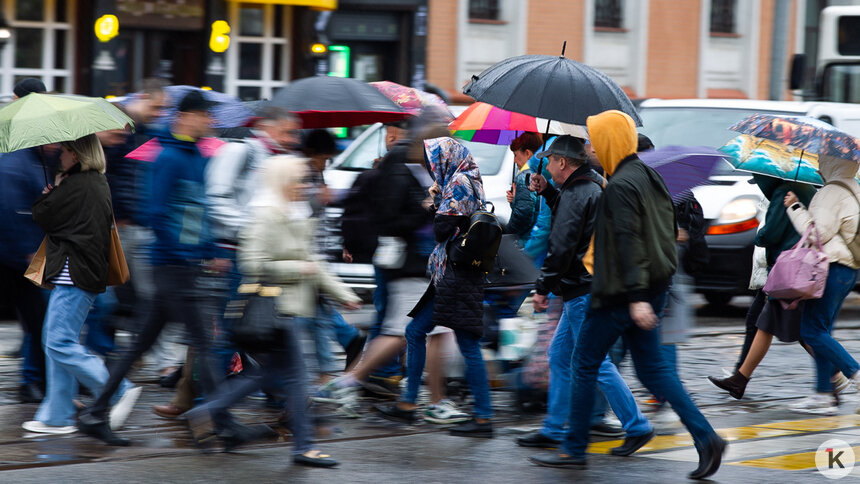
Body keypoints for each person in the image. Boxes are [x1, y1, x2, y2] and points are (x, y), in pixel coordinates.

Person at [530, 110, 726, 480]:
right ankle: (707, 438)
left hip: (622, 293)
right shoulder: (648, 175)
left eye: (593, 141)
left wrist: (635, 297)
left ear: (609, 141)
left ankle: (573, 449)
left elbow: (628, 241)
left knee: (583, 363)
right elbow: (667, 230)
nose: (589, 148)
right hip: (652, 289)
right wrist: (652, 292)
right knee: (655, 372)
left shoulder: (620, 185)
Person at [184, 155, 361, 467]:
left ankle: (205, 412)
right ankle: (303, 447)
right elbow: (252, 263)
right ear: (282, 182)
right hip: (274, 309)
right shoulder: (265, 214)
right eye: (298, 180)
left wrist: (343, 294)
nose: (304, 186)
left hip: (289, 309)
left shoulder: (294, 213)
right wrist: (298, 268)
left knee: (270, 374)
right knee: (295, 376)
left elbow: (314, 264)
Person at [77, 90, 226, 446]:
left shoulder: (195, 156)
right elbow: (155, 213)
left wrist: (210, 248)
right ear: (187, 116)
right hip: (173, 266)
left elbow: (195, 212)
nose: (211, 122)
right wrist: (189, 252)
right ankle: (225, 419)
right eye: (206, 116)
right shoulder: (170, 156)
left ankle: (95, 413)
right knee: (205, 342)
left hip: (180, 263)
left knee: (141, 344)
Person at [516, 134, 652, 451]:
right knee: (560, 357)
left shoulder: (579, 192)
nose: (547, 166)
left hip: (582, 289)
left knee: (594, 363)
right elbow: (572, 224)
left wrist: (542, 288)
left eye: (550, 161)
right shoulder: (585, 186)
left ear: (563, 162)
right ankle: (554, 427)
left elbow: (562, 245)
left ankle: (637, 425)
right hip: (583, 287)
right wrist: (548, 192)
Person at [22, 134, 138, 434]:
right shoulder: (95, 182)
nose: (60, 154)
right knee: (58, 343)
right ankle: (56, 416)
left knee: (58, 344)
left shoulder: (77, 184)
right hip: (81, 273)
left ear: (76, 154)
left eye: (64, 150)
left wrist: (53, 190)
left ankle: (118, 388)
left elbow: (43, 215)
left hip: (73, 274)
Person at [401, 137, 494, 436]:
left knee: (463, 342)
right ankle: (409, 402)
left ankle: (482, 417)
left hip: (456, 275)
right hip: (455, 274)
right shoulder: (470, 178)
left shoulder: (459, 182)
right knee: (417, 332)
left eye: (433, 162)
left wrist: (434, 202)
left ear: (446, 160)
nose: (431, 167)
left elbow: (443, 228)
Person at [708, 175, 816, 400]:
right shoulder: (805, 189)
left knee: (803, 332)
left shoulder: (783, 191)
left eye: (758, 181)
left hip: (787, 271)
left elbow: (770, 234)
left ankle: (839, 375)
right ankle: (740, 379)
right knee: (763, 323)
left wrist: (759, 235)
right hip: (793, 269)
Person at [781, 154, 860, 414]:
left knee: (812, 331)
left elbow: (818, 234)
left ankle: (853, 373)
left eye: (823, 161)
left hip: (831, 267)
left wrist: (795, 207)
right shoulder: (854, 187)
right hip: (847, 270)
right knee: (822, 332)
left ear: (832, 163)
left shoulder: (831, 191)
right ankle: (823, 395)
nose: (818, 166)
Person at [0, 78, 50, 403]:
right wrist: (26, 250)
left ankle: (37, 385)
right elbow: (9, 202)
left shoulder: (31, 145)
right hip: (17, 255)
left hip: (24, 253)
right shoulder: (14, 143)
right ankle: (38, 385)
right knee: (39, 323)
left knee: (39, 323)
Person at [505, 132, 540, 245]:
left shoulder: (524, 177)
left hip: (526, 241)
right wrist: (516, 200)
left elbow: (523, 214)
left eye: (516, 155)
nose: (515, 161)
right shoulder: (543, 172)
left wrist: (506, 233)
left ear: (527, 153)